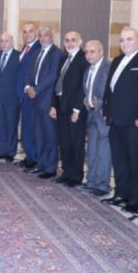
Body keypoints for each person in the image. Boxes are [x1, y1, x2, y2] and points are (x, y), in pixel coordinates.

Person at [101, 27, 138, 213]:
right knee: (120, 160)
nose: (125, 43)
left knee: (136, 161)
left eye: (129, 39)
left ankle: (136, 199)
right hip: (115, 120)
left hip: (134, 122)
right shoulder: (117, 61)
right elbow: (109, 89)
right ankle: (121, 193)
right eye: (122, 40)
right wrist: (106, 111)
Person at [23, 26, 63, 178]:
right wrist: (28, 87)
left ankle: (51, 168)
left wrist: (36, 89)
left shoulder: (57, 54)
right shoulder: (36, 53)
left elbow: (52, 76)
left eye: (45, 35)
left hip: (47, 99)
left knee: (50, 135)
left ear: (51, 37)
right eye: (40, 35)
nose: (42, 38)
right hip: (35, 99)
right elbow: (29, 73)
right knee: (38, 134)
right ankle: (41, 164)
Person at [50, 31, 88, 186]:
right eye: (67, 40)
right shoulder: (63, 59)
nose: (70, 43)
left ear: (80, 42)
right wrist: (53, 105)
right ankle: (67, 172)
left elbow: (83, 87)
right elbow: (57, 83)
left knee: (76, 142)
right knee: (64, 141)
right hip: (61, 106)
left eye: (73, 40)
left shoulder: (83, 59)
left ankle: (76, 176)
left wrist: (77, 110)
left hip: (75, 109)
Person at [76, 40, 112, 197]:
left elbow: (113, 92)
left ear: (101, 52)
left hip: (103, 117)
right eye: (87, 52)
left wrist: (101, 102)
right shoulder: (88, 69)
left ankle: (102, 185)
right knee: (91, 152)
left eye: (93, 51)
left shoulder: (107, 68)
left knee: (103, 153)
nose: (89, 55)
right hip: (92, 116)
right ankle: (91, 181)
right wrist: (87, 101)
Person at [16, 23, 42, 170]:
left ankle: (35, 158)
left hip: (32, 96)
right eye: (25, 32)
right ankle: (29, 155)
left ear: (36, 32)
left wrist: (30, 88)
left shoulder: (39, 48)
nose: (27, 34)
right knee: (26, 128)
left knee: (32, 128)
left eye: (30, 31)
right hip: (23, 95)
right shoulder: (25, 48)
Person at [0, 32, 20, 162]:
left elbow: (21, 77)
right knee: (0, 125)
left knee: (11, 125)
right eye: (1, 41)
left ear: (12, 42)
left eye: (6, 41)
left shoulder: (18, 56)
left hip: (13, 98)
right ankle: (2, 150)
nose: (3, 44)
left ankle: (11, 152)